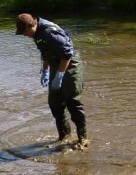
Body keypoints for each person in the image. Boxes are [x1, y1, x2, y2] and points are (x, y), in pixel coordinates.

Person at [15, 13, 88, 148]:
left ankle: (83, 139)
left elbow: (67, 53)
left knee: (73, 102)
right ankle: (64, 136)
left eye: (24, 32)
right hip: (56, 63)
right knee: (55, 103)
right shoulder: (35, 32)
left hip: (70, 65)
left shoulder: (49, 33)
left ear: (31, 25)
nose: (24, 35)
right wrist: (45, 70)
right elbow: (45, 51)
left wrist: (60, 75)